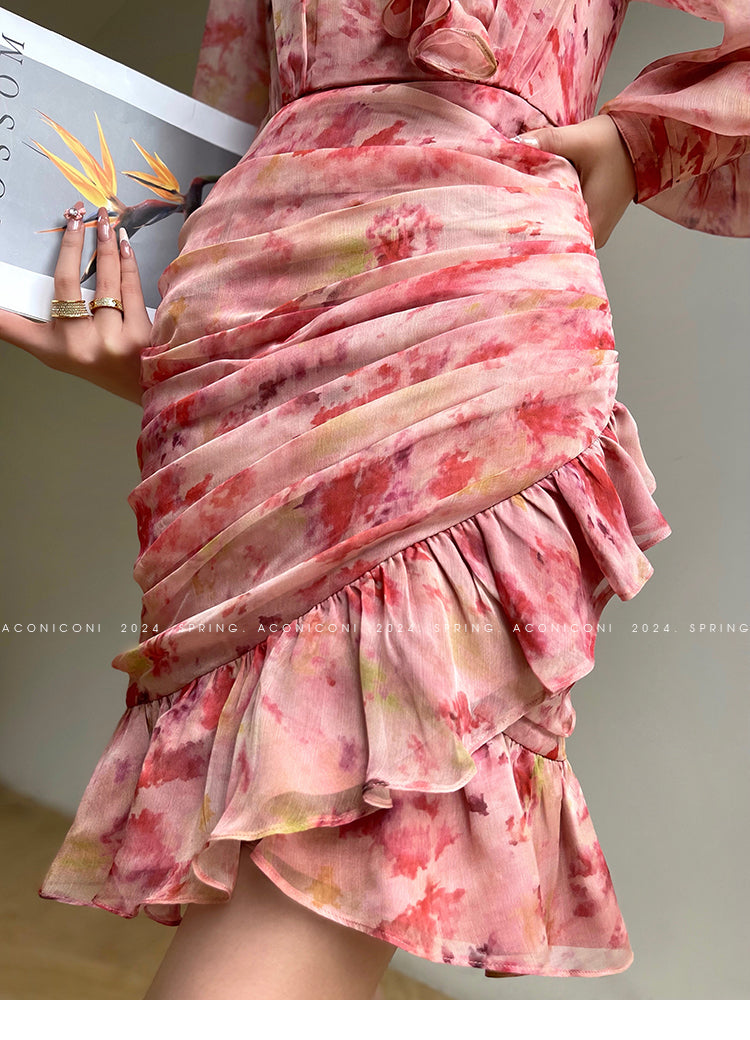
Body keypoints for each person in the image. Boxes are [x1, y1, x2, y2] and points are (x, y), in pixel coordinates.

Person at [2, 0, 748, 1000]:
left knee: (292, 897)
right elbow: (239, 117)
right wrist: (175, 344)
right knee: (265, 866)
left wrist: (639, 142)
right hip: (239, 367)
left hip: (460, 349)